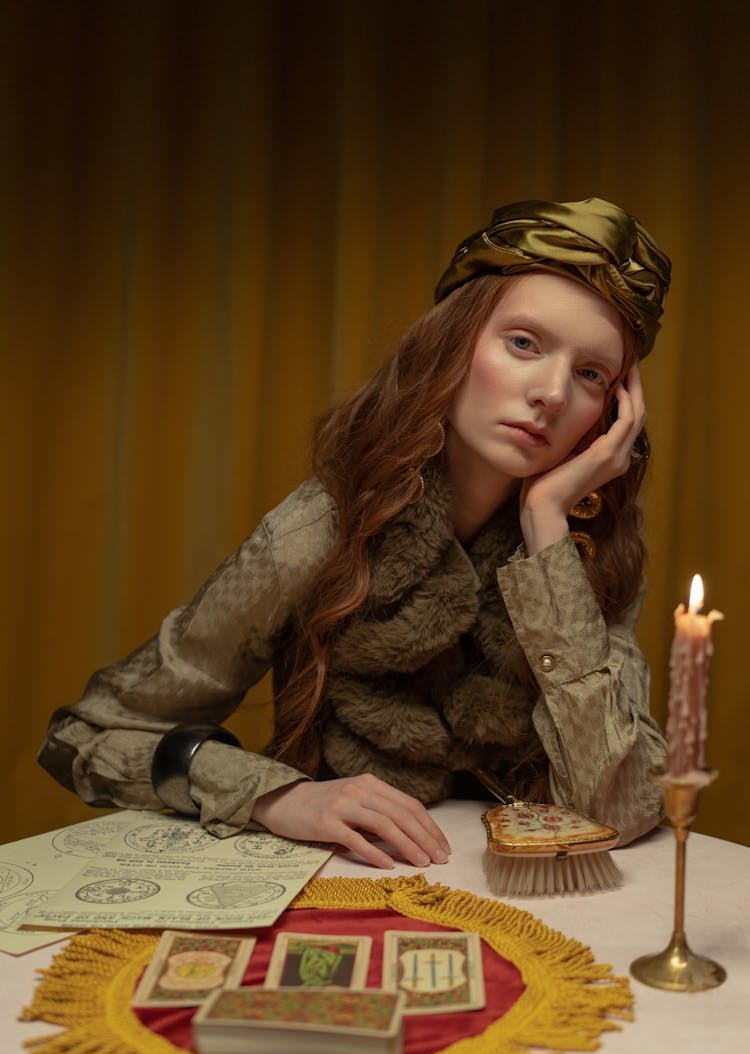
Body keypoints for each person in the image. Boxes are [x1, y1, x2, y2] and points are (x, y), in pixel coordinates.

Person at [39, 197, 671, 871]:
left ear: (612, 416)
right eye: (523, 343)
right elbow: (85, 735)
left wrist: (546, 526)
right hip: (341, 882)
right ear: (453, 340)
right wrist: (272, 795)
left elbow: (620, 807)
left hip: (526, 902)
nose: (550, 391)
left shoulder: (591, 547)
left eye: (591, 375)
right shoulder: (320, 530)